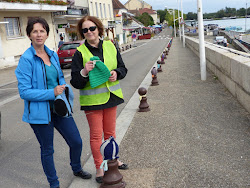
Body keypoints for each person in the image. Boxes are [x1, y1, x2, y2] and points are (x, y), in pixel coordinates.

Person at [15, 17, 92, 188]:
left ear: (47, 34)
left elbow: (59, 79)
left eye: (42, 31)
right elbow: (24, 92)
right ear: (29, 35)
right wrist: (51, 92)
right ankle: (54, 184)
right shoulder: (26, 60)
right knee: (48, 150)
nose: (39, 34)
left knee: (76, 141)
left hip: (60, 108)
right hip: (40, 114)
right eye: (35, 31)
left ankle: (76, 168)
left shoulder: (52, 55)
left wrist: (64, 92)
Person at [70, 16, 128, 184]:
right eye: (85, 30)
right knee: (96, 136)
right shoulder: (80, 53)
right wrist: (84, 72)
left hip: (111, 97)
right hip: (93, 101)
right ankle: (99, 167)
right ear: (82, 33)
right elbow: (75, 81)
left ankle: (113, 161)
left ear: (99, 29)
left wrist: (117, 73)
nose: (89, 32)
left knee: (110, 135)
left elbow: (123, 68)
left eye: (92, 28)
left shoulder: (110, 46)